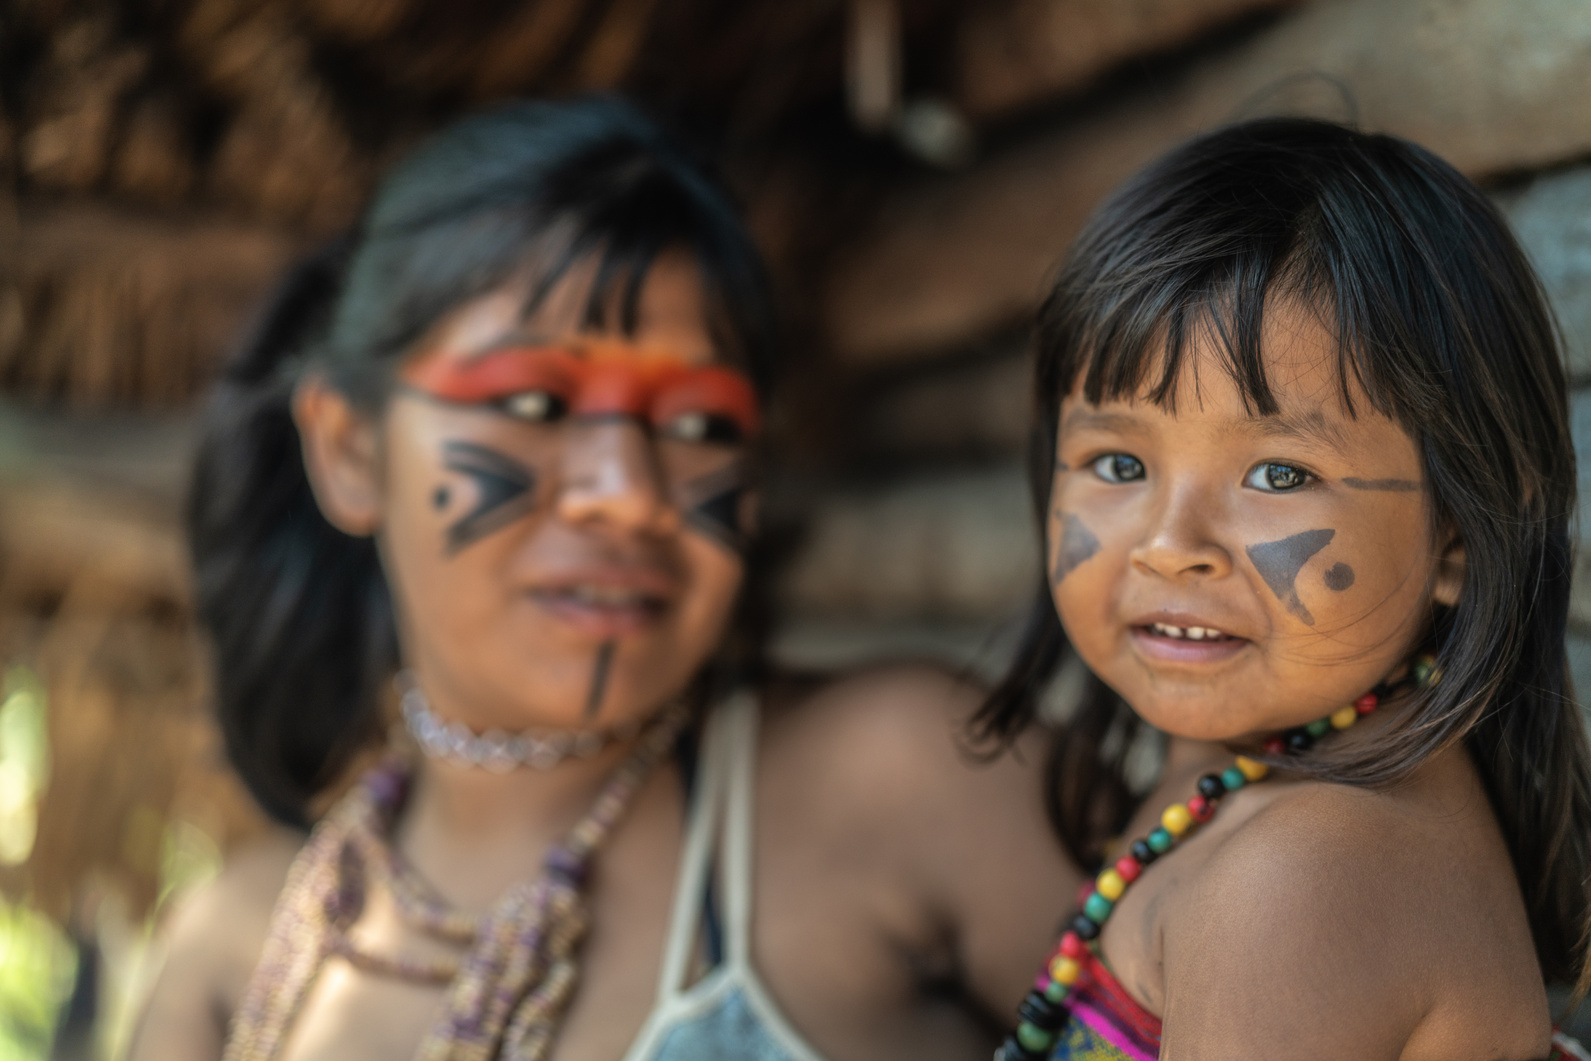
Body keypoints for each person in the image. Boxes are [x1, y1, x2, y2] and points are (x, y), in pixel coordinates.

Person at [129, 97, 1081, 1061]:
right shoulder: (239, 955)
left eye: (700, 424)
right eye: (536, 402)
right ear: (349, 447)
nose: (626, 494)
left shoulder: (909, 782)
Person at [978, 118, 1591, 1060]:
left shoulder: (1303, 877)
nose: (1170, 546)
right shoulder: (1237, 781)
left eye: (1277, 475)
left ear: (1461, 534)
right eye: (1115, 460)